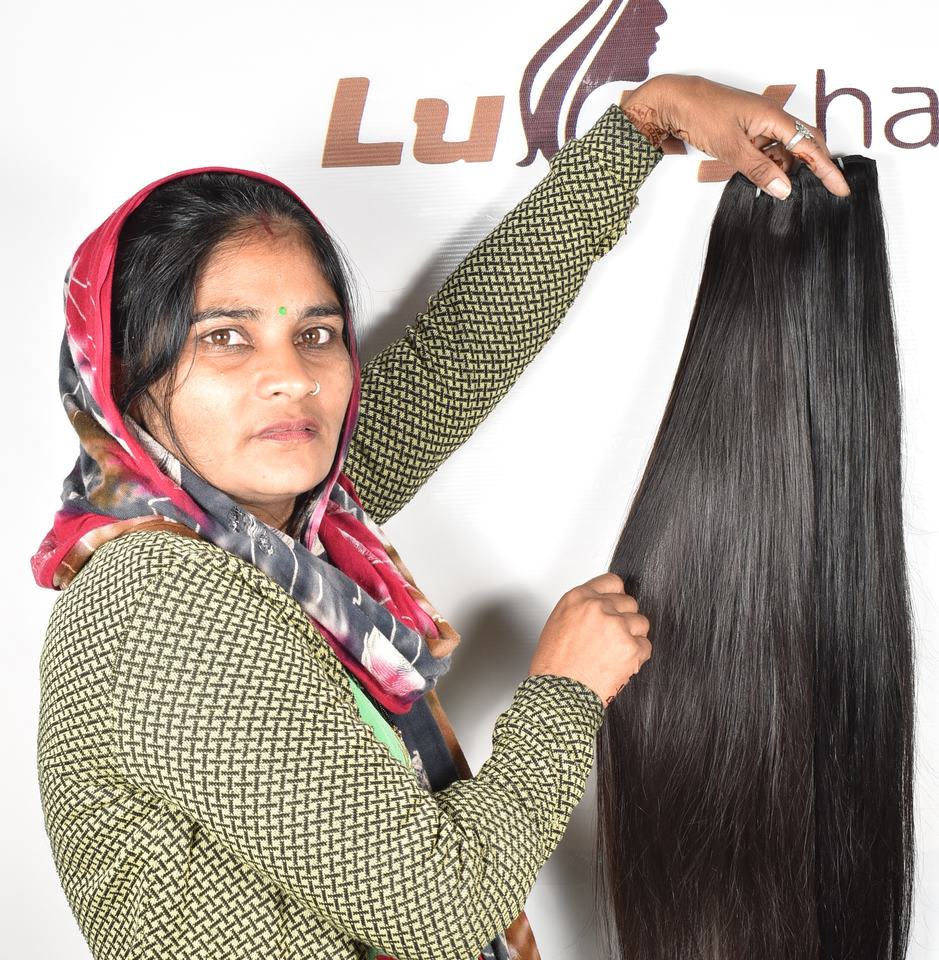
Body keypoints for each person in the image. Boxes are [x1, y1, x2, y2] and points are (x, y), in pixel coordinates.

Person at [33, 74, 849, 960]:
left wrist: (646, 122)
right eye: (225, 337)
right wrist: (566, 690)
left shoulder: (283, 533)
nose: (292, 378)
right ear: (122, 377)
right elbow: (441, 906)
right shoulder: (156, 596)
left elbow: (453, 358)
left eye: (315, 334)